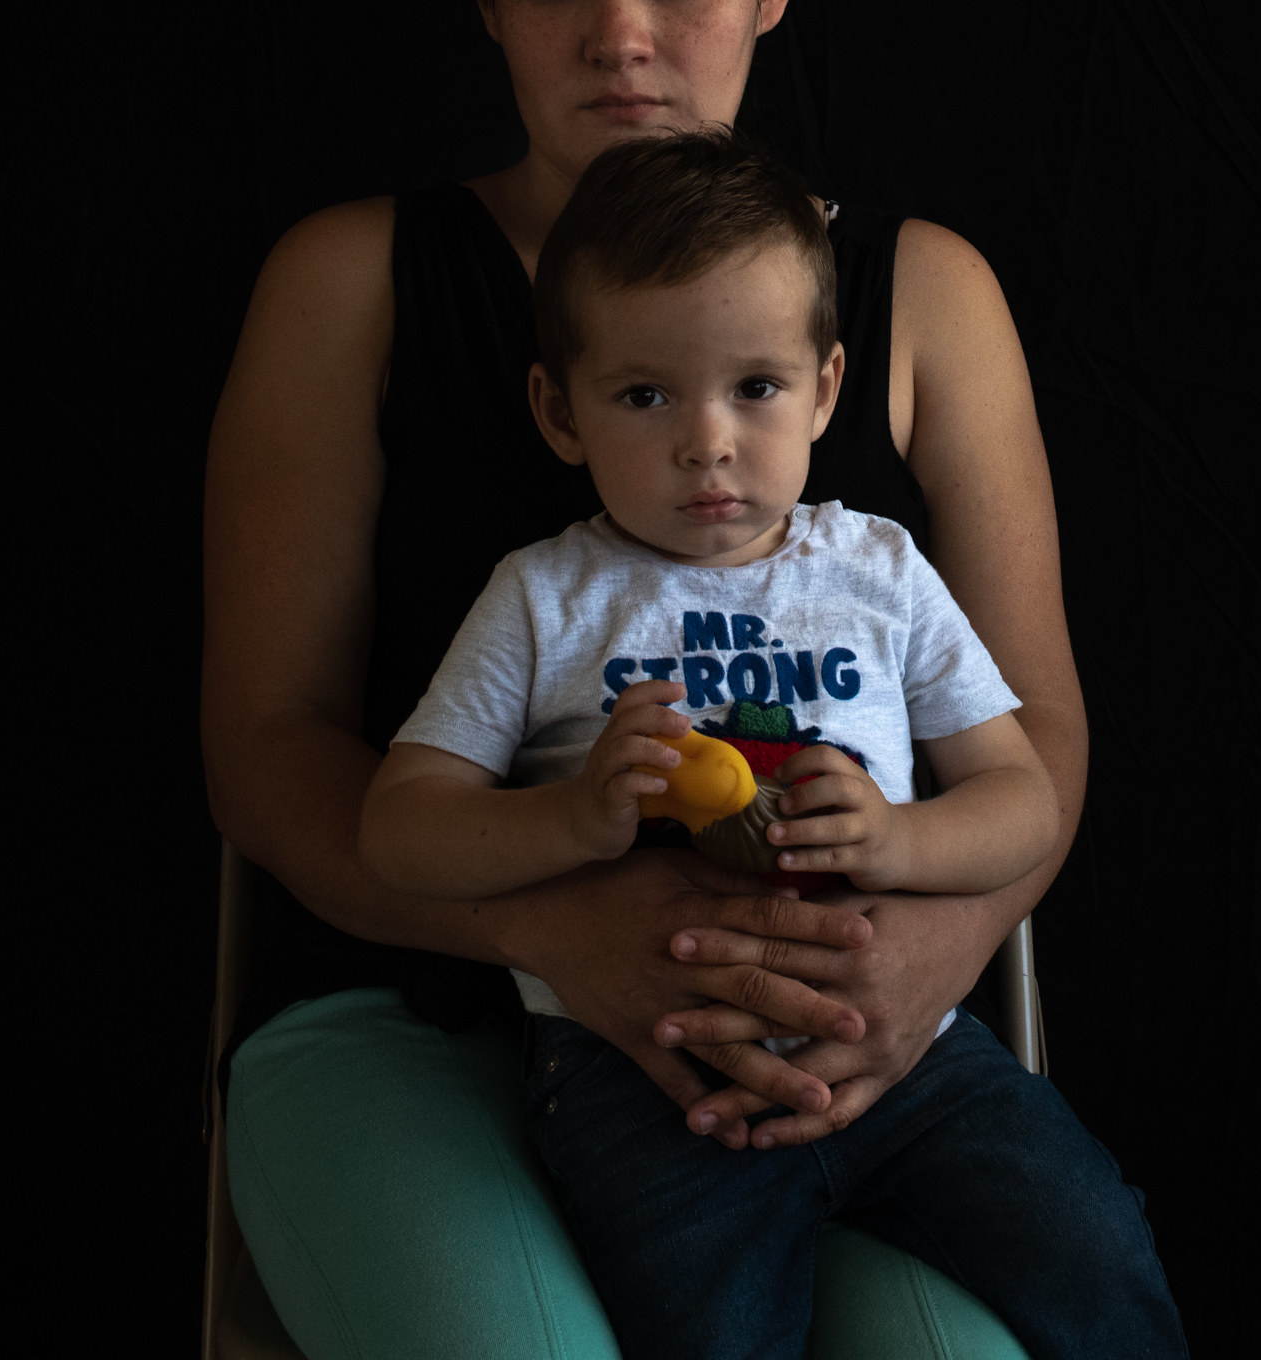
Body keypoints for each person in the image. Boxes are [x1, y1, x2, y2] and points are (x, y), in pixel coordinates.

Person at [203, 0, 1174, 1357]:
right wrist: (554, 928)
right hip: (414, 1001)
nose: (619, 36)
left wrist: (905, 973)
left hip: (841, 1030)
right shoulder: (353, 281)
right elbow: (265, 747)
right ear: (489, 0)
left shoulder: (922, 293)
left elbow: (1037, 743)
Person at [356, 127, 1179, 1358]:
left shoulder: (880, 571)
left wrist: (900, 838)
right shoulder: (542, 598)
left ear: (828, 389)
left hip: (914, 1070)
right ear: (558, 409)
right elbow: (399, 827)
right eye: (645, 394)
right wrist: (572, 818)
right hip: (656, 1077)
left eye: (755, 386)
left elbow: (1025, 800)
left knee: (1097, 1245)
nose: (708, 441)